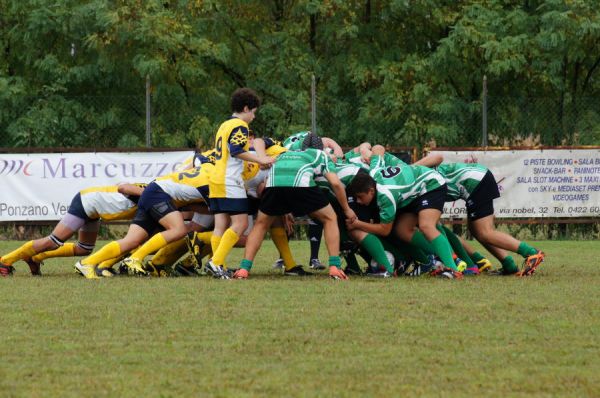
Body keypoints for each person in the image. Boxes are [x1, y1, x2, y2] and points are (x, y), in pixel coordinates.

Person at [233, 135, 357, 280]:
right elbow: (335, 184)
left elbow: (272, 181)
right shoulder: (320, 154)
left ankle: (244, 269)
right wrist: (347, 209)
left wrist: (283, 209)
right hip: (301, 184)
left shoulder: (286, 153)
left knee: (260, 225)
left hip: (273, 184)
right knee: (330, 218)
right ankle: (335, 267)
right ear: (321, 148)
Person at [75, 163, 213, 278]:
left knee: (132, 241)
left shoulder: (207, 173)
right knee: (178, 230)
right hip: (157, 195)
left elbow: (200, 207)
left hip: (154, 195)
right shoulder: (217, 179)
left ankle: (87, 263)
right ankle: (133, 259)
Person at [346, 146, 462, 278]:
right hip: (415, 191)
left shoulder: (385, 196)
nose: (358, 201)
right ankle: (439, 258)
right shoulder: (374, 173)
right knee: (402, 230)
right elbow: (378, 149)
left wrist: (357, 224)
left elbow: (385, 230)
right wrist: (366, 151)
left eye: (360, 197)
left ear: (371, 191)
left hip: (431, 184)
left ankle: (453, 269)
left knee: (426, 226)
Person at [0, 183, 145, 277]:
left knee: (84, 249)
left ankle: (36, 257)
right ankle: (5, 261)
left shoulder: (158, 196)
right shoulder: (151, 192)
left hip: (94, 211)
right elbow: (123, 187)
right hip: (87, 203)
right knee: (53, 241)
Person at [205, 88, 275, 278]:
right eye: (253, 112)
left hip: (216, 179)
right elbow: (236, 150)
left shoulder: (224, 125)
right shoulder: (240, 125)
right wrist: (260, 160)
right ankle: (216, 262)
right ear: (246, 108)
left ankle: (219, 265)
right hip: (229, 180)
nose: (253, 116)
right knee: (241, 223)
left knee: (220, 225)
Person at [436, 162, 545, 276]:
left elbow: (438, 157)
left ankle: (532, 253)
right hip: (476, 181)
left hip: (476, 182)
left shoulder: (419, 175)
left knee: (485, 232)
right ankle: (509, 265)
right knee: (476, 230)